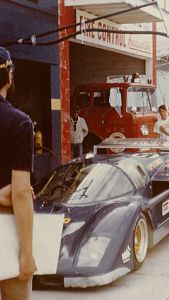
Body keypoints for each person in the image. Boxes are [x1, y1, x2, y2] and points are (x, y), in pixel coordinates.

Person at [0, 47, 36, 299]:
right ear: (9, 76)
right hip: (7, 235)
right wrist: (26, 253)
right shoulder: (20, 123)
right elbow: (21, 193)